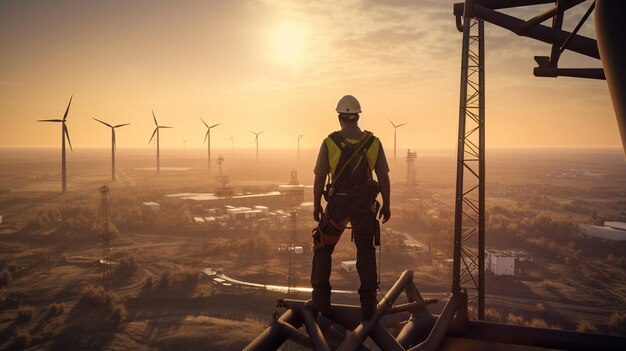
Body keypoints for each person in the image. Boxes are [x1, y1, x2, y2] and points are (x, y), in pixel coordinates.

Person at [308, 95, 391, 321]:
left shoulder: (330, 142)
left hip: (338, 204)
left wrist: (316, 204)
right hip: (364, 205)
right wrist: (388, 204)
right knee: (365, 251)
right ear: (357, 116)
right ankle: (368, 307)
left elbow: (319, 178)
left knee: (322, 248)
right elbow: (383, 177)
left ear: (339, 117)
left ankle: (321, 301)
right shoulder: (373, 143)